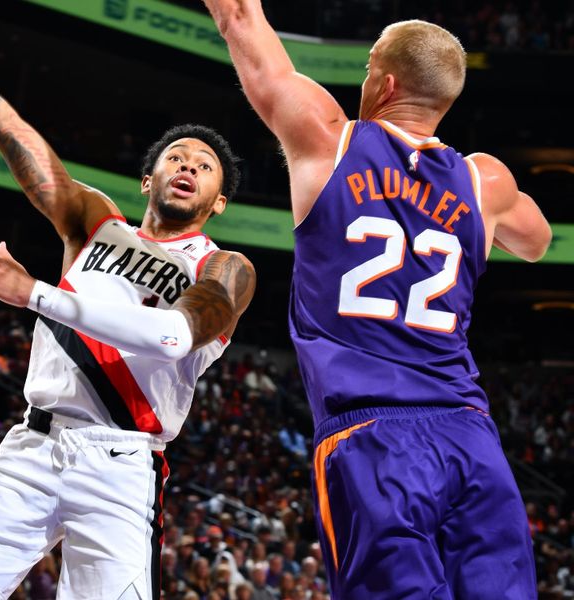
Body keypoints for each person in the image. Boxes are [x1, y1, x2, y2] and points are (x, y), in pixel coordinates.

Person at [0, 1, 256, 598]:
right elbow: (6, 126)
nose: (188, 165)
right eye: (175, 157)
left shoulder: (225, 268)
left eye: (204, 165)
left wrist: (32, 292)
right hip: (32, 450)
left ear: (217, 202)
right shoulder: (93, 222)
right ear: (148, 180)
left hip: (122, 467)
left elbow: (172, 338)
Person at [203, 2, 551, 598]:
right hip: (471, 437)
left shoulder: (328, 141)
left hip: (372, 439)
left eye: (367, 67)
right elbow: (538, 242)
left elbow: (239, 17)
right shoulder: (484, 182)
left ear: (384, 83)